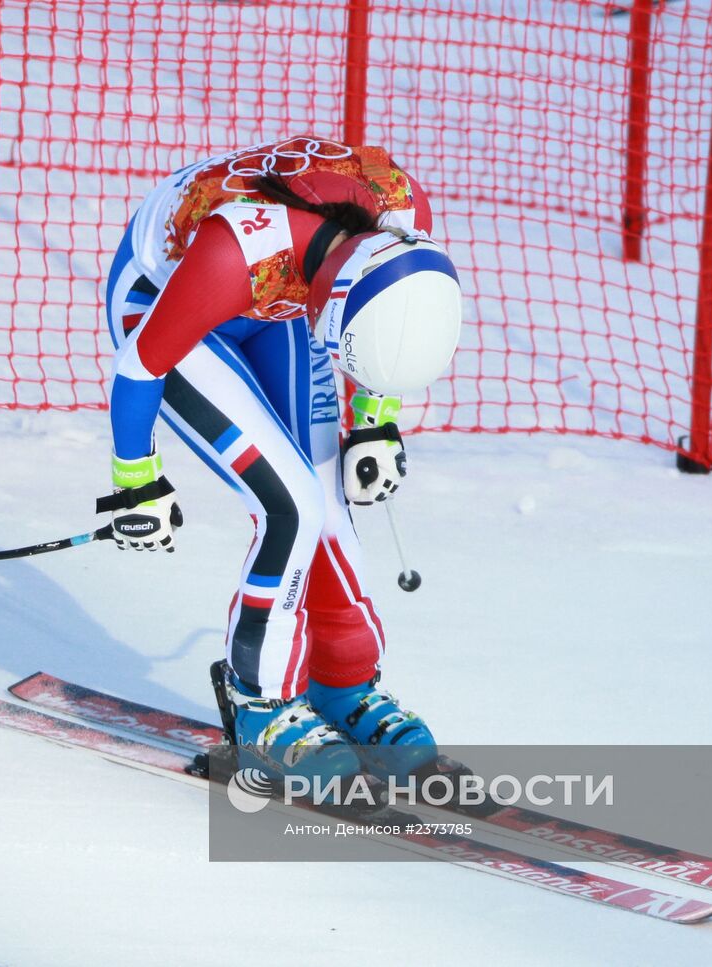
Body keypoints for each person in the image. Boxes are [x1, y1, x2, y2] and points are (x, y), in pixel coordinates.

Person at [98, 135, 462, 784]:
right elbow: (139, 363)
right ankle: (258, 705)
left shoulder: (403, 223)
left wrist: (374, 424)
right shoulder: (235, 248)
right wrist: (137, 482)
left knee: (326, 494)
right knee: (288, 504)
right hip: (168, 303)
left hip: (280, 299)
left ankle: (341, 684)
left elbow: (387, 332)